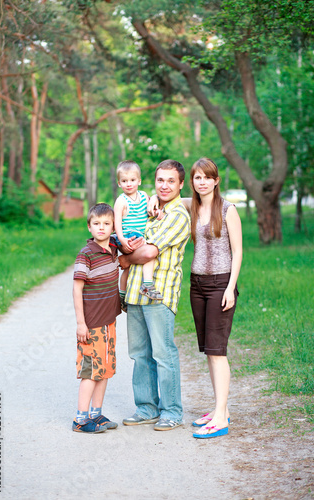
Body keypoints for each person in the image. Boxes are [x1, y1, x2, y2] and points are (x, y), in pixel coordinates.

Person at [119, 159, 191, 431]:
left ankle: (172, 411)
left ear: (180, 184)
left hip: (160, 294)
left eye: (171, 181)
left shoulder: (177, 215)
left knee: (163, 353)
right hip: (136, 293)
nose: (165, 185)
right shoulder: (149, 210)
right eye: (160, 180)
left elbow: (149, 251)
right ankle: (146, 408)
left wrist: (126, 260)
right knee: (139, 354)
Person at [184, 158, 242, 439]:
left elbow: (238, 252)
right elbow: (167, 199)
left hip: (221, 283)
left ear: (216, 180)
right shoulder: (191, 206)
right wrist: (150, 202)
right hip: (197, 284)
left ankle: (220, 418)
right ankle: (221, 408)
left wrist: (231, 287)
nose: (202, 181)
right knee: (209, 350)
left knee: (218, 352)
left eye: (207, 177)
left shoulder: (228, 209)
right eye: (197, 177)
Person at [72, 203, 121, 433]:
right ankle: (80, 420)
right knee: (91, 371)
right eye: (96, 224)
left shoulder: (113, 247)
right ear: (89, 226)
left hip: (108, 321)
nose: (101, 228)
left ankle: (96, 414)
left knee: (105, 370)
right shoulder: (86, 254)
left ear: (113, 226)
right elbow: (77, 288)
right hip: (91, 324)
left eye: (106, 224)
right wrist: (81, 323)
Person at [114, 160, 163, 311]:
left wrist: (157, 212)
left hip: (140, 234)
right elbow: (117, 223)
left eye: (132, 180)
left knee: (129, 268)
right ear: (119, 183)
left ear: (139, 181)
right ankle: (147, 284)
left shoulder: (143, 196)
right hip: (128, 235)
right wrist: (122, 239)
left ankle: (121, 296)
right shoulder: (121, 201)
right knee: (150, 252)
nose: (129, 184)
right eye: (124, 181)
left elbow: (150, 211)